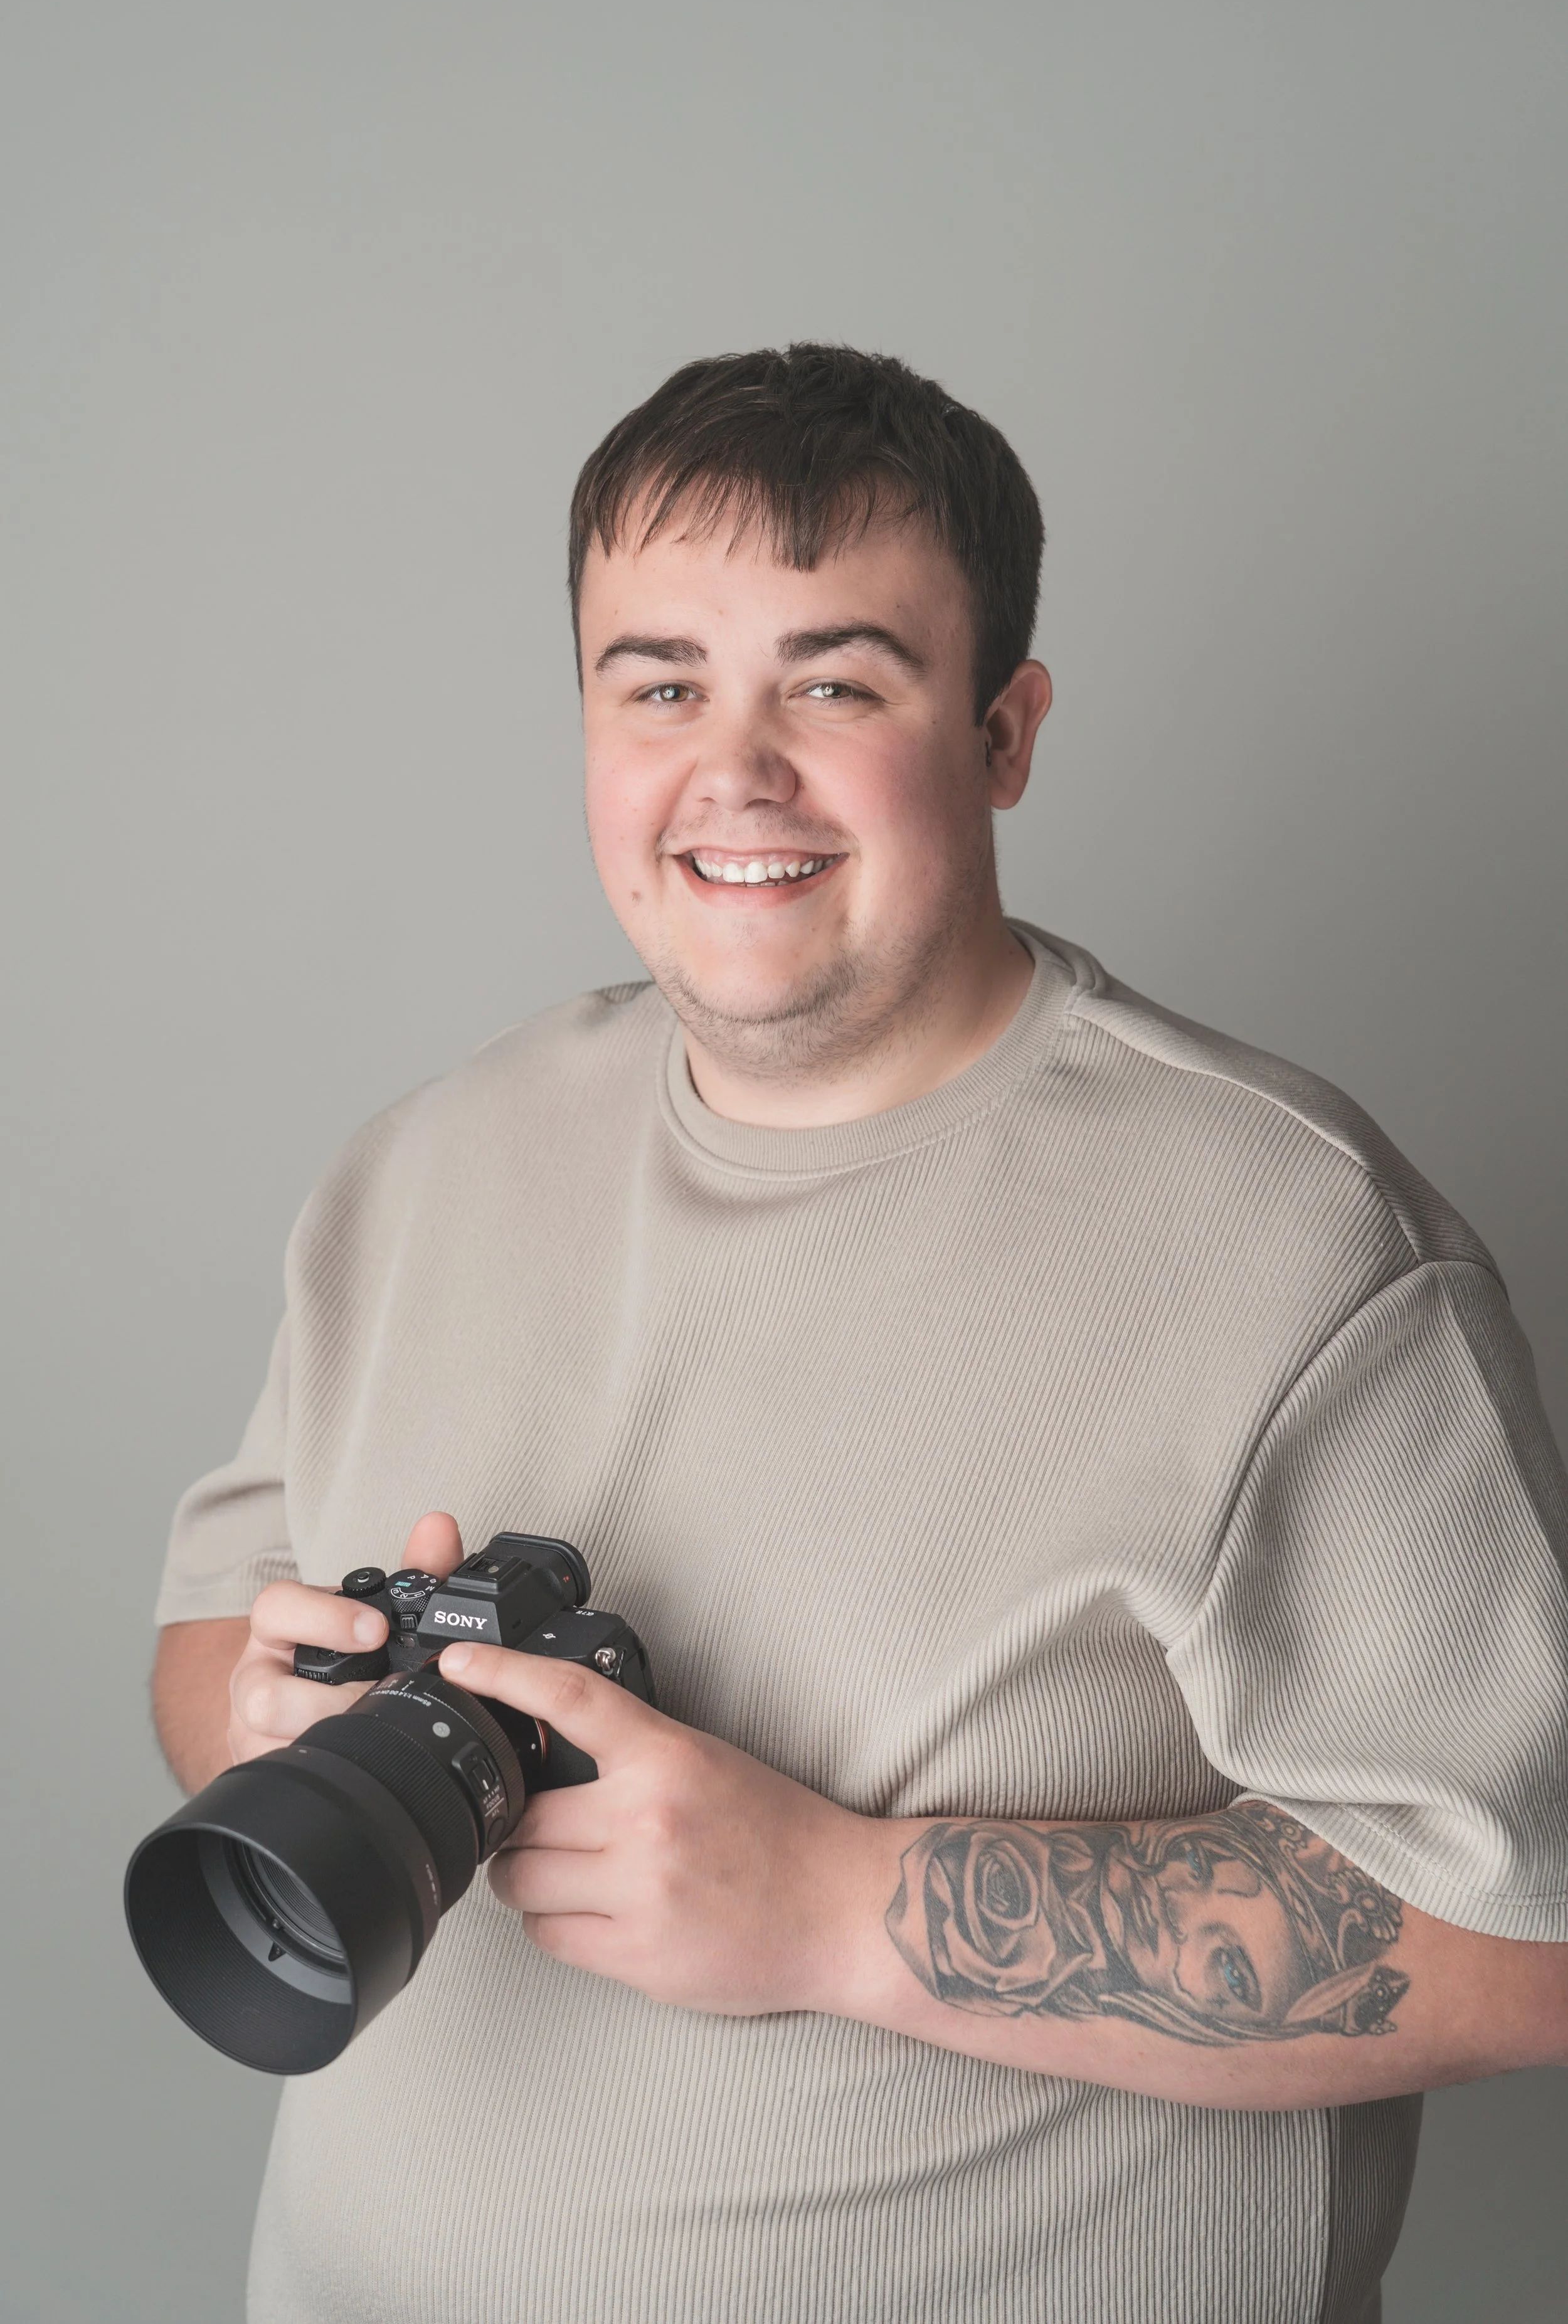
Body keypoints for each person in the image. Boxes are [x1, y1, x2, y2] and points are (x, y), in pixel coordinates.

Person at [152, 344, 1568, 2324]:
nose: (732, 771)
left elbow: (1525, 1937)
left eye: (834, 681)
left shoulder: (1291, 1242)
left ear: (1002, 732)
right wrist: (271, 1711)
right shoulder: (426, 1160)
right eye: (658, 684)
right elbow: (204, 1646)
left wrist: (837, 1906)